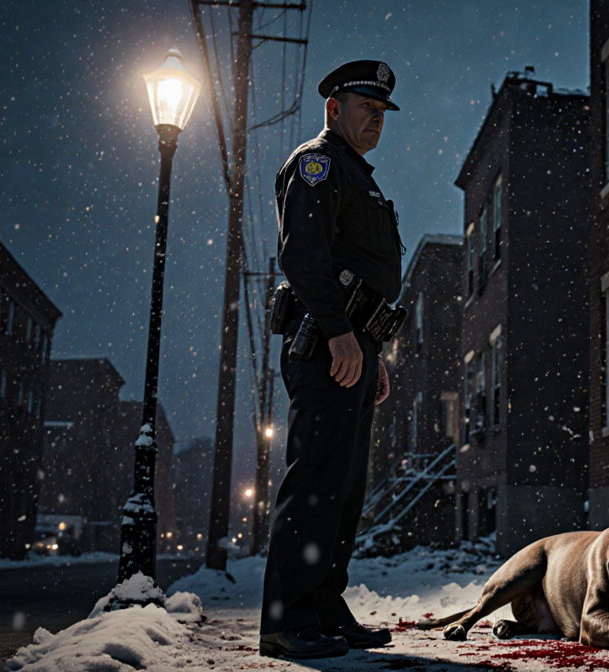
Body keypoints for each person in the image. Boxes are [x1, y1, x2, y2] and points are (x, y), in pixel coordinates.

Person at [259, 59, 405, 660]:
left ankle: (321, 603)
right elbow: (305, 259)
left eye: (382, 113)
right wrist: (342, 334)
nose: (376, 119)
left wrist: (369, 349)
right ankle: (284, 617)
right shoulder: (317, 165)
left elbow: (360, 270)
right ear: (333, 108)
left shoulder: (356, 173)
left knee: (344, 487)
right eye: (366, 108)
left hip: (350, 346)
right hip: (324, 344)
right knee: (316, 480)